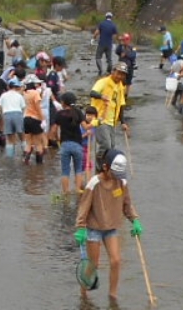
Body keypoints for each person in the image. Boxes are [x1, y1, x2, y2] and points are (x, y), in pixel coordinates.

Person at [75, 148, 141, 298]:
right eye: (114, 174)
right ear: (105, 167)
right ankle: (84, 295)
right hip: (94, 228)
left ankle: (113, 296)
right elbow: (83, 207)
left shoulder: (122, 183)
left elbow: (127, 205)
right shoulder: (94, 184)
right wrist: (80, 228)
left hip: (111, 227)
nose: (116, 178)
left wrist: (135, 220)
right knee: (93, 266)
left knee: (116, 261)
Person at [52, 91, 88, 196]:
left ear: (63, 102)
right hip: (77, 145)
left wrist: (57, 139)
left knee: (65, 171)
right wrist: (96, 123)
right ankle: (77, 190)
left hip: (65, 145)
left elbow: (54, 130)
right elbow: (85, 127)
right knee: (78, 169)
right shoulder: (78, 112)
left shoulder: (59, 114)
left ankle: (66, 193)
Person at [90, 65, 130, 151]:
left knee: (112, 147)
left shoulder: (120, 87)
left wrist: (123, 122)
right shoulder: (103, 82)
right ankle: (98, 163)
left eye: (122, 74)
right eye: (118, 73)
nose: (119, 76)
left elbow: (121, 105)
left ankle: (106, 164)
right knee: (106, 145)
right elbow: (92, 93)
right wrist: (101, 96)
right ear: (113, 71)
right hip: (100, 119)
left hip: (112, 121)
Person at [21, 76, 48, 163]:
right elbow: (38, 108)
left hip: (26, 119)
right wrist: (43, 120)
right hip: (35, 119)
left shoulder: (25, 93)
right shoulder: (35, 93)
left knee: (28, 142)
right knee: (38, 143)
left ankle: (25, 161)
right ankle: (39, 166)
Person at [0, 79, 27, 157]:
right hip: (18, 114)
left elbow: (0, 107)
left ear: (8, 86)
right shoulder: (19, 95)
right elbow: (23, 108)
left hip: (7, 115)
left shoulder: (3, 95)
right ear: (16, 87)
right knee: (22, 136)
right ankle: (26, 154)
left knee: (10, 139)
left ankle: (10, 158)